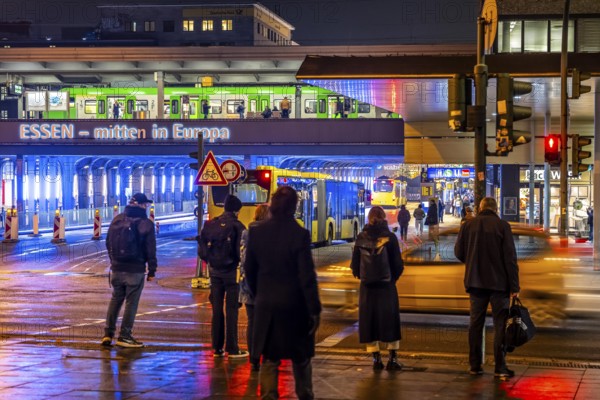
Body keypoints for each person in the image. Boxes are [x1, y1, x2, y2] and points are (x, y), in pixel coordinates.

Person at [244, 186, 321, 400]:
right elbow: (307, 276)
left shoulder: (257, 233)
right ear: (295, 206)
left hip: (267, 306)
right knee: (301, 358)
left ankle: (269, 396)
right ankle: (305, 394)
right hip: (295, 307)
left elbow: (249, 270)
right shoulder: (300, 234)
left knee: (270, 358)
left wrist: (261, 294)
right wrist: (314, 308)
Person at [454, 197, 520, 378]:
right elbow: (510, 258)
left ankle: (475, 365)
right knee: (500, 324)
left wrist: (473, 262)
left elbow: (459, 252)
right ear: (496, 209)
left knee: (475, 324)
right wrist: (515, 286)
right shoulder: (502, 226)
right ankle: (500, 366)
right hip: (499, 284)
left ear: (480, 208)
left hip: (475, 282)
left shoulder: (467, 225)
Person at [350, 206, 404, 371]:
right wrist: (391, 279)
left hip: (367, 289)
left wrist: (364, 278)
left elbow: (354, 267)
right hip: (387, 287)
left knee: (369, 322)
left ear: (369, 218)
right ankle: (392, 359)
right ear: (383, 218)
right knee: (390, 321)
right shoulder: (390, 238)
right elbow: (398, 265)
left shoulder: (361, 238)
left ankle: (376, 359)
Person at [102, 192, 157, 348]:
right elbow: (150, 249)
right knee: (131, 303)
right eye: (145, 204)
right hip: (135, 269)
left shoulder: (117, 219)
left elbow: (108, 243)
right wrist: (152, 270)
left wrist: (114, 261)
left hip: (117, 268)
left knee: (115, 300)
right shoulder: (146, 223)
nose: (146, 207)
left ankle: (108, 334)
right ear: (139, 204)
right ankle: (125, 336)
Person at [198, 194, 248, 358]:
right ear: (237, 210)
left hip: (214, 272)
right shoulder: (238, 226)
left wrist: (211, 262)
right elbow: (240, 252)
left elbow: (202, 250)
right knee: (232, 309)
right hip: (231, 272)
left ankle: (217, 347)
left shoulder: (211, 224)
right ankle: (232, 348)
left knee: (217, 310)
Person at [239, 204, 270, 371]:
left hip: (248, 285)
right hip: (265, 285)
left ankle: (253, 358)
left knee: (252, 322)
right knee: (267, 322)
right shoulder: (271, 233)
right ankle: (266, 355)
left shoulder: (247, 232)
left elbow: (243, 259)